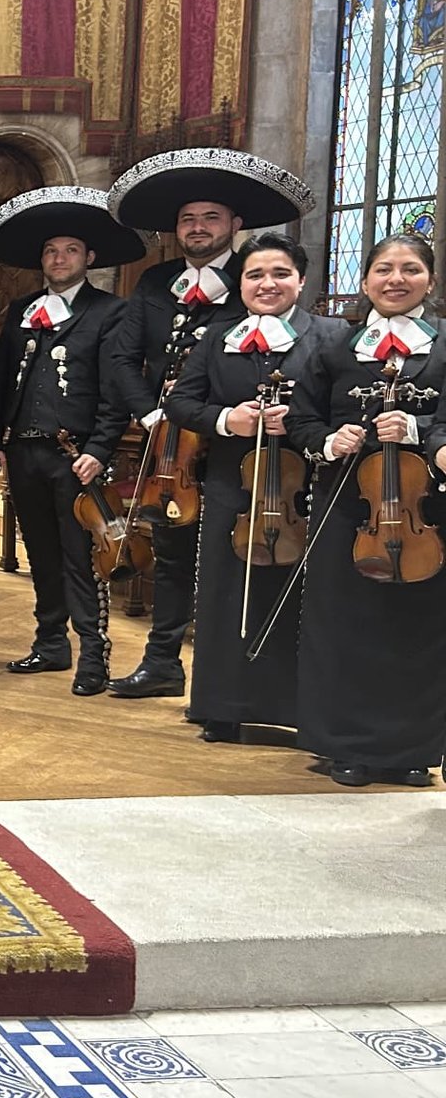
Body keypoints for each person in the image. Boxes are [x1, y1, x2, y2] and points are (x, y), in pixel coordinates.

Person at [103, 148, 314, 698]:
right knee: (171, 548)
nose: (198, 229)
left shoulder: (255, 281)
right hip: (168, 439)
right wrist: (153, 414)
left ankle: (235, 673)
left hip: (239, 440)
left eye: (211, 218)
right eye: (188, 220)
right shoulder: (154, 282)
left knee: (235, 552)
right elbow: (124, 359)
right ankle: (163, 661)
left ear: (236, 225)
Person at [166, 234, 346, 743]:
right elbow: (181, 403)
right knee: (227, 592)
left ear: (301, 280)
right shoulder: (217, 336)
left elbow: (346, 406)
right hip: (233, 483)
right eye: (255, 275)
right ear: (240, 283)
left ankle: (299, 708)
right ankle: (223, 705)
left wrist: (307, 425)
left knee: (305, 595)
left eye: (280, 273)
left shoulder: (331, 336)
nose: (268, 284)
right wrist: (228, 419)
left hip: (306, 484)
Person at [287, 232, 446, 787]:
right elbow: (302, 418)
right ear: (365, 280)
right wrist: (333, 441)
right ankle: (344, 744)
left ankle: (411, 750)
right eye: (383, 269)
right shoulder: (333, 349)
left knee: (418, 627)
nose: (396, 279)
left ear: (429, 278)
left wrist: (419, 429)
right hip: (347, 507)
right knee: (344, 624)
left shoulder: (445, 344)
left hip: (425, 509)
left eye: (409, 269)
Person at [0, 188, 141, 697]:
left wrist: (100, 448)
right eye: (51, 251)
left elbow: (117, 389)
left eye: (70, 250)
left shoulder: (111, 312)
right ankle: (50, 644)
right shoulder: (24, 307)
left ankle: (94, 654)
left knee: (80, 557)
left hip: (76, 458)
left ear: (89, 258)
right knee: (40, 553)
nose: (59, 259)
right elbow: (1, 378)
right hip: (24, 452)